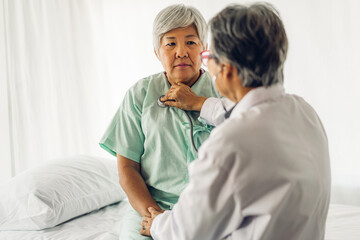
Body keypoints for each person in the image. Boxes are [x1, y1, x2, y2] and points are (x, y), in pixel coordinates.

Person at [140, 3, 331, 240]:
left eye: (207, 56)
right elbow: (245, 112)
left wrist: (157, 223)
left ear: (226, 70)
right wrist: (200, 103)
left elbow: (187, 231)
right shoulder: (305, 113)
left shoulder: (230, 143)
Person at [99, 4, 218, 240]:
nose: (181, 52)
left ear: (204, 49)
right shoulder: (140, 94)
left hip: (210, 209)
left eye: (191, 42)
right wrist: (157, 217)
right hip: (151, 207)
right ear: (157, 52)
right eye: (171, 43)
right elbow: (127, 168)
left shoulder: (222, 93)